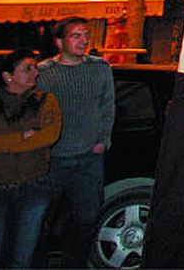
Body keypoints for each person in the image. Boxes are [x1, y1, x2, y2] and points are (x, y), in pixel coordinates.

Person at [36, 17, 114, 268]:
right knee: (42, 218)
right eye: (75, 35)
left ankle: (74, 264)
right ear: (60, 42)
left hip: (88, 157)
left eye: (85, 35)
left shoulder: (99, 68)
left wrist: (102, 140)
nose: (83, 40)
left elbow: (107, 106)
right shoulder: (45, 72)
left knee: (87, 217)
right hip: (53, 158)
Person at [0, 50, 62, 268]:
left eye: (35, 68)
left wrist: (3, 144)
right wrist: (22, 136)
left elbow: (49, 135)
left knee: (23, 255)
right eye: (27, 68)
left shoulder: (45, 101)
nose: (34, 74)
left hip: (33, 184)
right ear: (8, 75)